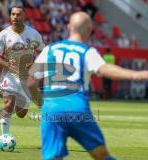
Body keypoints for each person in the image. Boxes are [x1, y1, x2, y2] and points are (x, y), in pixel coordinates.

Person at [27, 11, 148, 160]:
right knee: (102, 156)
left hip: (51, 109)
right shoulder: (87, 51)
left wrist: (41, 104)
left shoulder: (50, 49)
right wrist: (138, 75)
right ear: (90, 30)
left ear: (69, 27)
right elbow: (105, 69)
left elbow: (31, 81)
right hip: (77, 108)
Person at [0, 2, 44, 135]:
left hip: (26, 78)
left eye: (18, 14)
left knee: (21, 113)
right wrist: (6, 64)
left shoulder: (33, 34)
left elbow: (44, 53)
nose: (15, 17)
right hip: (9, 75)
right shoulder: (4, 34)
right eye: (13, 14)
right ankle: (4, 136)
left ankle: (18, 103)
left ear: (24, 16)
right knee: (8, 103)